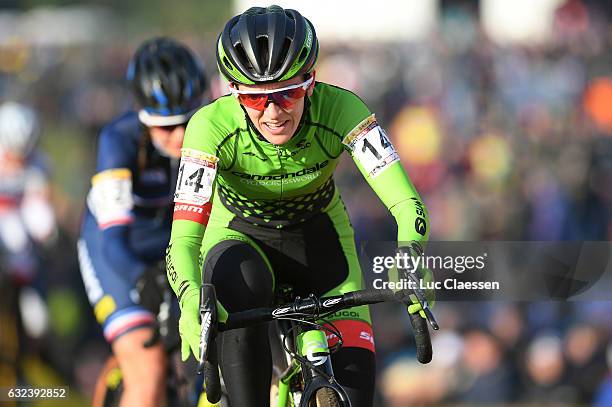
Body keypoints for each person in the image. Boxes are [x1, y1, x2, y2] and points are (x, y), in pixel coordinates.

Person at [166, 5, 431, 407]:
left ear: (310, 82)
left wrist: (410, 253)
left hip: (319, 239)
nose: (274, 112)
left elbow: (405, 201)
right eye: (256, 99)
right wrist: (189, 302)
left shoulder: (344, 110)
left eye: (287, 93)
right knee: (240, 290)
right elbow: (183, 240)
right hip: (240, 240)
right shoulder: (209, 127)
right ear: (233, 93)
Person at [77, 37, 208, 407]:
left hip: (175, 249)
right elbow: (114, 241)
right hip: (117, 255)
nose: (181, 137)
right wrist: (145, 282)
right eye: (166, 128)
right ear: (143, 117)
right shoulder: (118, 141)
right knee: (149, 371)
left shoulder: (213, 128)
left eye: (187, 121)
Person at [0, 101, 56, 386]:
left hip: (24, 259)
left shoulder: (40, 164)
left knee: (39, 323)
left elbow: (40, 214)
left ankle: (24, 374)